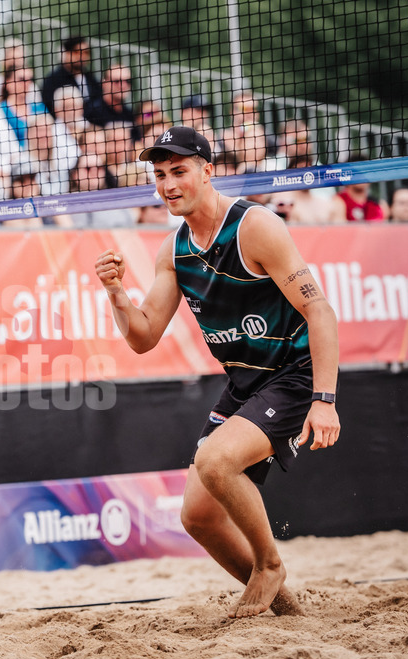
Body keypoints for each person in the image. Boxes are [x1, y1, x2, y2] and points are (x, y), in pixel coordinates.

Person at [94, 126, 340, 619]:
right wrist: (116, 293)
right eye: (159, 175)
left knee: (214, 461)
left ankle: (269, 566)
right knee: (198, 517)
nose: (167, 184)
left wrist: (324, 399)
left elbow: (321, 313)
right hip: (245, 382)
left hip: (294, 373)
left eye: (179, 171)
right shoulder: (175, 250)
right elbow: (143, 338)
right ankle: (286, 610)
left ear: (208, 172)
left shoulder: (255, 226)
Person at [39, 36, 102, 120]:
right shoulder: (54, 80)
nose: (82, 56)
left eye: (86, 52)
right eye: (77, 52)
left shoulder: (90, 78)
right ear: (66, 53)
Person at [86, 62, 135, 128]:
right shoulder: (91, 111)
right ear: (104, 83)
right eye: (117, 81)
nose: (123, 86)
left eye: (128, 81)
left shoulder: (129, 114)